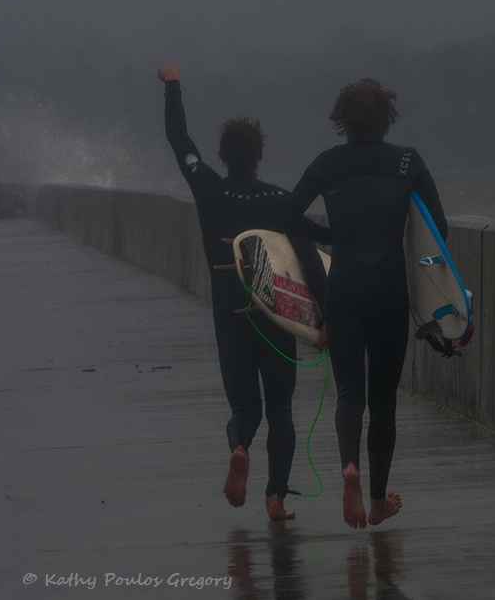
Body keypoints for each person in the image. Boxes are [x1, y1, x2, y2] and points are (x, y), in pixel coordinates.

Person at [157, 63, 329, 521]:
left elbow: (179, 140)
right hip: (275, 313)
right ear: (259, 155)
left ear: (222, 155)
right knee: (281, 407)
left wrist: (173, 85)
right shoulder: (279, 199)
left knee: (245, 407)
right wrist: (324, 316)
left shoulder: (209, 190)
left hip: (230, 314)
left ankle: (239, 446)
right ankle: (275, 497)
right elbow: (308, 259)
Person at [283, 78, 447, 529]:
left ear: (343, 120)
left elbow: (286, 216)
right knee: (384, 400)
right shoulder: (408, 161)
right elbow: (439, 230)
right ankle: (376, 500)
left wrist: (332, 237)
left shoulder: (327, 163)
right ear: (385, 117)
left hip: (346, 289)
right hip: (391, 290)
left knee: (350, 391)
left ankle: (348, 469)